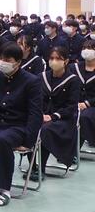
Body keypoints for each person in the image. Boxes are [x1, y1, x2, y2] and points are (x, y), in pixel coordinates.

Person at [0, 42, 43, 207]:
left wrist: (29, 141)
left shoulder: (31, 81)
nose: (3, 62)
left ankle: (4, 189)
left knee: (2, 140)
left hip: (17, 127)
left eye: (8, 60)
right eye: (1, 58)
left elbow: (35, 113)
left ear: (18, 62)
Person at [33, 46, 81, 179]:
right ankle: (33, 163)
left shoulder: (73, 80)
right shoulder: (41, 77)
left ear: (66, 61)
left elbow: (71, 106)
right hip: (42, 115)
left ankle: (40, 167)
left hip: (63, 119)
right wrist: (39, 114)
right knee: (31, 126)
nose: (54, 61)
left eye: (58, 58)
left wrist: (53, 116)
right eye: (51, 58)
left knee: (45, 130)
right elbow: (35, 99)